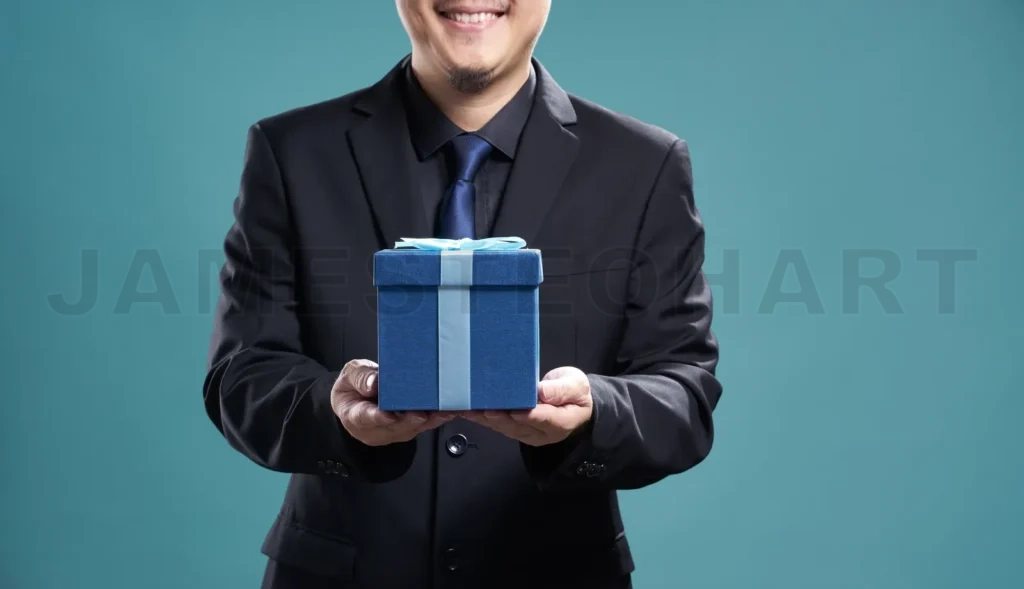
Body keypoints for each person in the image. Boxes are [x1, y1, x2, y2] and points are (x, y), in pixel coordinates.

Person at [203, 1, 723, 587]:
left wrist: (595, 412)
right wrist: (335, 410)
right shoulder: (290, 150)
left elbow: (684, 394)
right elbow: (242, 375)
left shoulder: (645, 165)